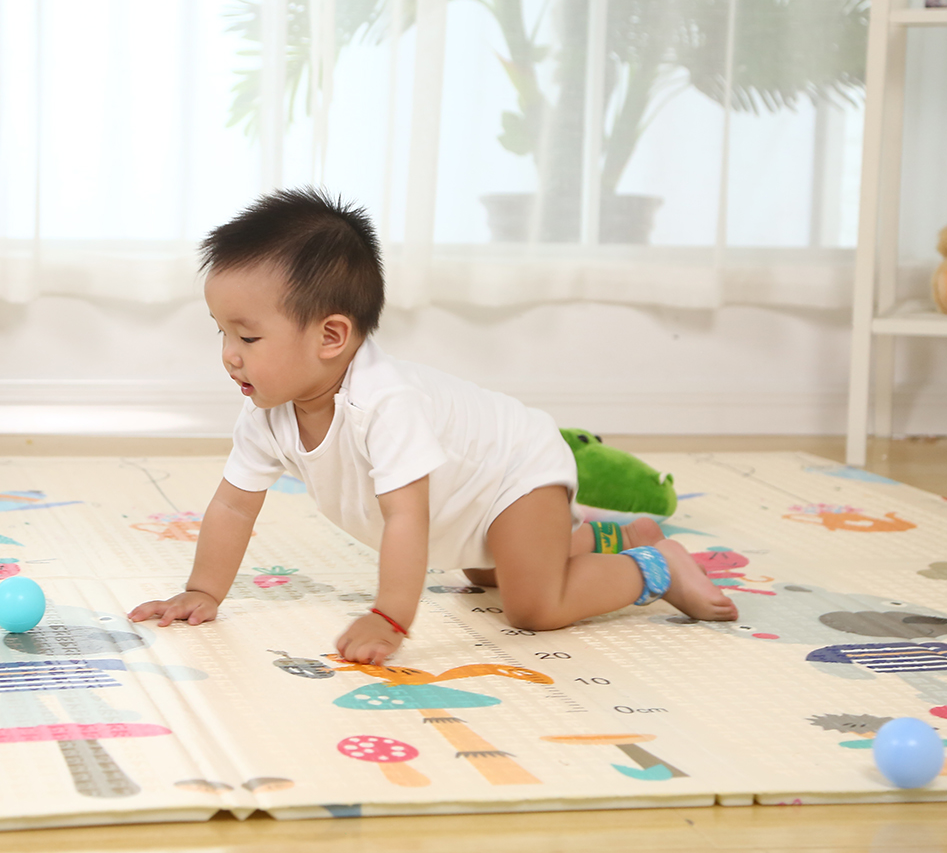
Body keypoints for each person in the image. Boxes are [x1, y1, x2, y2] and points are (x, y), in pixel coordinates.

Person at [128, 188, 737, 664]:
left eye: (249, 336)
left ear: (331, 337)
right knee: (483, 570)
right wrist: (203, 591)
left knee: (532, 605)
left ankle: (659, 567)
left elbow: (406, 517)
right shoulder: (266, 410)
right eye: (222, 333)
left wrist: (391, 617)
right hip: (465, 506)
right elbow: (234, 507)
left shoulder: (383, 404)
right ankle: (610, 536)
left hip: (515, 470)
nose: (230, 354)